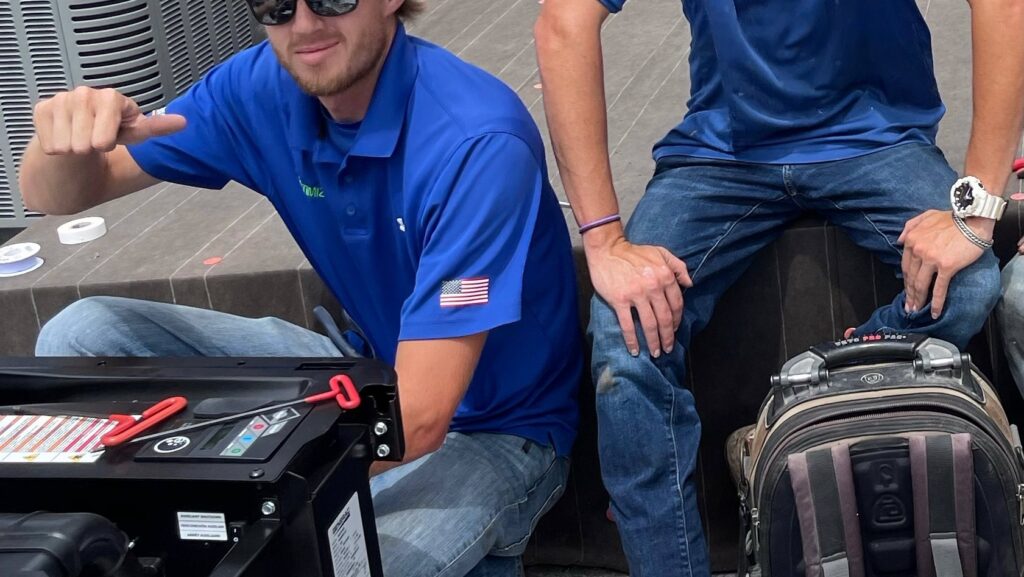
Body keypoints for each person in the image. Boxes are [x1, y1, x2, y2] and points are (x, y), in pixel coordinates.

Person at [20, 0, 582, 575]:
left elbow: (419, 418)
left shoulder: (474, 142)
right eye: (276, 5)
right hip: (373, 371)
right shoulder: (261, 86)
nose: (306, 24)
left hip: (500, 428)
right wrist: (58, 143)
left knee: (334, 563)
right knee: (82, 334)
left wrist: (233, 495)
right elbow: (58, 196)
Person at [535, 0, 1024, 574]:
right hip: (720, 155)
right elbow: (562, 22)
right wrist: (602, 240)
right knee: (628, 333)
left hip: (876, 141)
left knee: (966, 284)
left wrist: (975, 209)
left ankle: (788, 415)